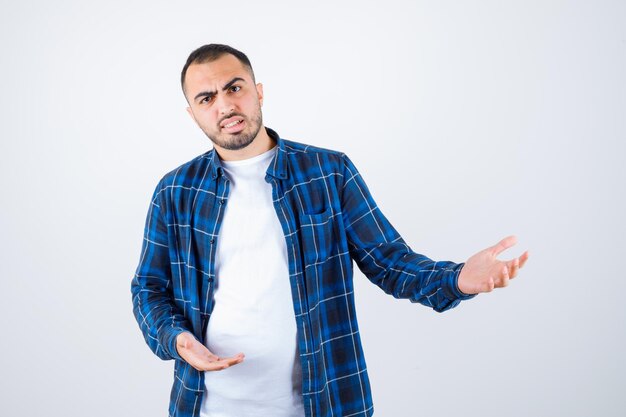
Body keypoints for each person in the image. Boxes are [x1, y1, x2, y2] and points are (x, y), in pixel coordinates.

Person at [131, 44, 529, 417]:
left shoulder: (328, 172)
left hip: (324, 400)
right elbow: (148, 288)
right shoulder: (175, 190)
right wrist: (176, 339)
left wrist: (456, 279)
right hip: (209, 405)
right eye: (207, 98)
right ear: (193, 113)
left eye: (234, 87)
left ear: (259, 91)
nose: (225, 105)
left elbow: (389, 261)